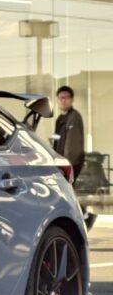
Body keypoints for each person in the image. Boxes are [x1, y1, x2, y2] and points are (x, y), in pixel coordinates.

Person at [53, 85, 96, 229]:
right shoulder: (60, 119)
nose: (63, 100)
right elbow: (58, 141)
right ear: (57, 100)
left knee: (66, 191)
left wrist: (66, 165)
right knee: (66, 192)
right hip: (61, 163)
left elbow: (73, 144)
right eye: (61, 98)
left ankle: (85, 218)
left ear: (72, 100)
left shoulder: (74, 117)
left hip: (70, 163)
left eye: (66, 98)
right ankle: (85, 217)